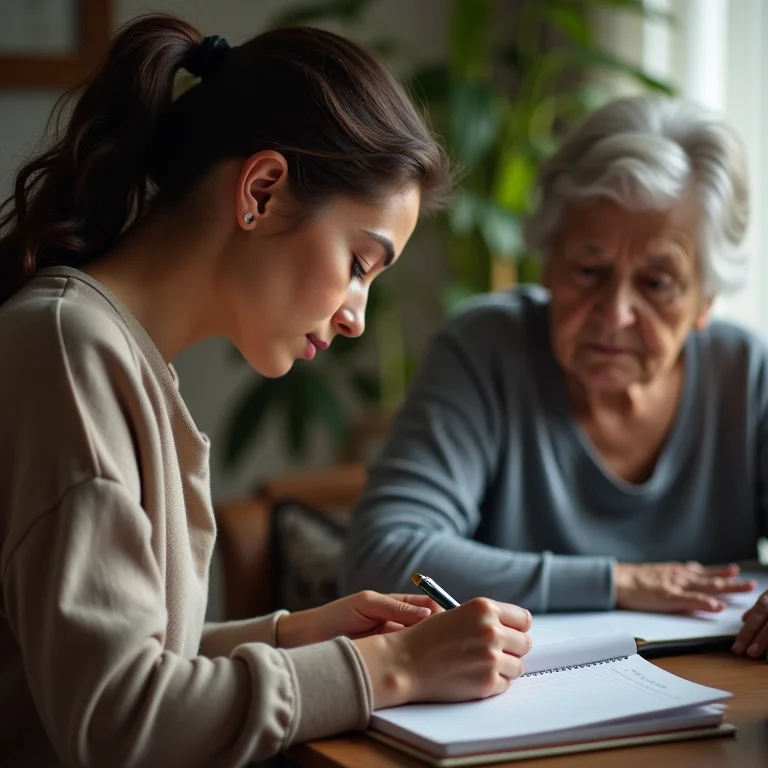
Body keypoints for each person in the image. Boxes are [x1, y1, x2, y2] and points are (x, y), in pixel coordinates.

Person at [0, 15, 534, 767]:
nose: (356, 318)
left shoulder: (113, 355)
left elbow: (119, 665)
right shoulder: (68, 350)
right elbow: (117, 722)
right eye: (359, 263)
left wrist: (295, 635)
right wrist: (397, 667)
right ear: (262, 189)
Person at [342, 94, 768, 662]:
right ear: (547, 260)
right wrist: (617, 581)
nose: (614, 312)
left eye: (657, 283)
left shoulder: (745, 373)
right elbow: (385, 554)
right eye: (589, 270)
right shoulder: (486, 349)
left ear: (705, 298)